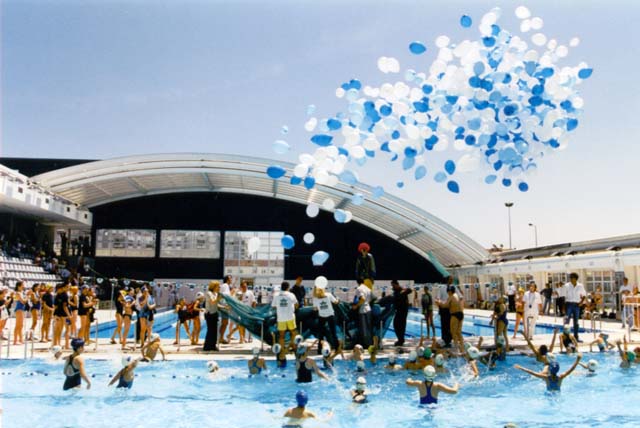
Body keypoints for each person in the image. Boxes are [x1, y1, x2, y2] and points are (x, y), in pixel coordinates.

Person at [514, 353, 582, 392]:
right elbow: (571, 369)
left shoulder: (546, 378)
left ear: (549, 369)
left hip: (548, 396)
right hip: (558, 396)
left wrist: (521, 368)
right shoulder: (561, 377)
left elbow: (532, 372)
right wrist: (577, 360)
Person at [272, 281, 299, 353]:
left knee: (281, 335)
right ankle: (293, 347)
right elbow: (296, 304)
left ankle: (282, 350)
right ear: (288, 287)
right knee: (293, 332)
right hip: (290, 316)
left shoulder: (276, 295)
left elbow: (274, 306)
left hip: (281, 317)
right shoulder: (291, 295)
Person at [312, 282, 339, 351]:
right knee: (333, 333)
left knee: (320, 334)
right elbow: (336, 302)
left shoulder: (315, 298)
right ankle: (336, 348)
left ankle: (320, 349)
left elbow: (315, 309)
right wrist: (338, 299)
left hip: (322, 316)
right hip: (330, 315)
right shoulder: (328, 295)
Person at [437, 285, 464, 353]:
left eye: (448, 292)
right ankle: (462, 348)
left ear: (449, 291)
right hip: (461, 314)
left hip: (454, 315)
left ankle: (456, 348)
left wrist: (439, 303)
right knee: (459, 332)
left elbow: (445, 305)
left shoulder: (451, 297)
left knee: (453, 333)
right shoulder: (456, 295)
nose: (448, 293)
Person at [564, 273, 586, 342]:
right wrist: (563, 307)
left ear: (576, 278)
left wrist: (581, 302)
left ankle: (576, 336)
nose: (571, 279)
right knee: (567, 321)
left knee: (576, 322)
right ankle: (566, 337)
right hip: (569, 304)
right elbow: (563, 296)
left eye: (572, 278)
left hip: (577, 305)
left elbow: (584, 295)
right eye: (570, 278)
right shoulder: (567, 285)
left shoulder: (580, 286)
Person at [352, 279, 373, 348]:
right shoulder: (368, 289)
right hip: (369, 309)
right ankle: (369, 344)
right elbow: (371, 298)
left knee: (363, 329)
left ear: (357, 282)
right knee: (368, 328)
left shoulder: (359, 289)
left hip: (363, 310)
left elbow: (362, 299)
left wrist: (356, 306)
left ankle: (365, 345)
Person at [391, 280, 412, 346]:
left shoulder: (402, 290)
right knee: (396, 325)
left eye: (393, 285)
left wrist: (403, 292)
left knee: (401, 325)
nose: (392, 287)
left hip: (403, 311)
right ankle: (400, 339)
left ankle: (401, 340)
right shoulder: (395, 291)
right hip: (398, 310)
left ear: (397, 285)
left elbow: (410, 290)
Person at [203, 281, 222, 352]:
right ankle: (207, 346)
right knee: (210, 330)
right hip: (209, 314)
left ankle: (213, 346)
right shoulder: (209, 293)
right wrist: (219, 298)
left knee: (214, 331)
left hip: (214, 313)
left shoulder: (216, 294)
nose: (219, 288)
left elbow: (216, 304)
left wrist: (225, 307)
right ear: (214, 286)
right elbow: (212, 301)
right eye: (218, 286)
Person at [218, 275, 233, 345]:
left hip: (224, 306)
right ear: (227, 279)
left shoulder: (226, 286)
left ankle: (220, 337)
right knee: (225, 322)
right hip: (224, 306)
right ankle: (220, 338)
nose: (231, 280)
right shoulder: (225, 285)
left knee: (225, 323)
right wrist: (225, 306)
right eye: (230, 278)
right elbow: (223, 295)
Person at [438, 278, 453, 347]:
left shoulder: (454, 287)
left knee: (450, 325)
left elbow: (460, 296)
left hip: (451, 309)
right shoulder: (442, 288)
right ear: (447, 280)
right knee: (444, 325)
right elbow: (438, 299)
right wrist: (441, 306)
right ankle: (444, 339)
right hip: (444, 309)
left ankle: (449, 340)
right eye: (451, 279)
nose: (452, 281)